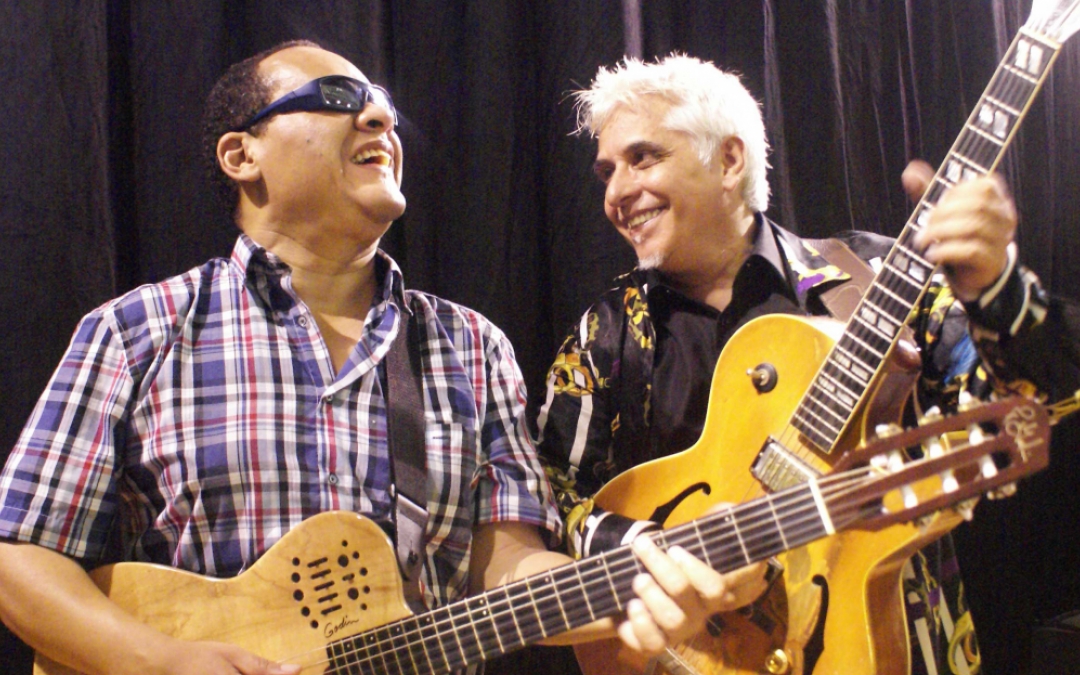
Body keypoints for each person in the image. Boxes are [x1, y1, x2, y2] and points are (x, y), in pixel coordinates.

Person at [0, 43, 769, 675]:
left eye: (386, 109)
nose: (379, 117)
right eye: (339, 96)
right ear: (241, 154)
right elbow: (19, 555)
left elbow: (509, 570)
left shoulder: (470, 346)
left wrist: (646, 582)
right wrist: (163, 660)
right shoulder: (137, 331)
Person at [532, 54, 1080, 675]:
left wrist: (1000, 293)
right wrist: (665, 552)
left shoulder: (875, 279)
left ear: (729, 161)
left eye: (643, 158)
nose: (616, 193)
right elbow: (547, 501)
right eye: (607, 172)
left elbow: (1033, 407)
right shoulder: (603, 337)